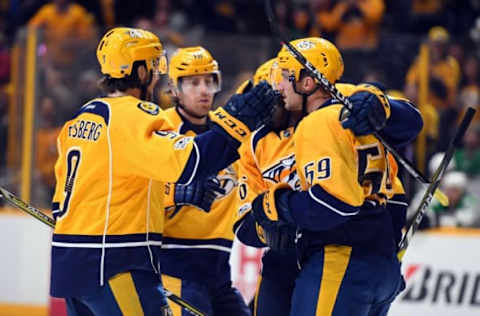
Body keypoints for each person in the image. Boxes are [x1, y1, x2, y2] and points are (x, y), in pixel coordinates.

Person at [50, 27, 277, 316]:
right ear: (142, 71)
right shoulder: (133, 115)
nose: (157, 75)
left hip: (73, 268)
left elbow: (62, 201)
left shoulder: (81, 118)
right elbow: (190, 162)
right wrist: (238, 120)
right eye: (155, 66)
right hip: (116, 265)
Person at [249, 37, 422, 316]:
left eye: (282, 78)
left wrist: (279, 205)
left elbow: (335, 203)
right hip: (374, 261)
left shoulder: (321, 119)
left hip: (338, 258)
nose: (277, 89)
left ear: (307, 83)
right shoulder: (343, 106)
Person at [159, 46, 249, 316]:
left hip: (219, 271)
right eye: (194, 82)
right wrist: (176, 192)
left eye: (210, 81)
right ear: (174, 89)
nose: (204, 90)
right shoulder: (159, 127)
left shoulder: (228, 133)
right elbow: (131, 189)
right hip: (174, 267)